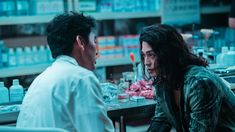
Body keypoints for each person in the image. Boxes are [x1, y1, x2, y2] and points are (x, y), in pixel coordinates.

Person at [16, 12, 114, 132]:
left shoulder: (40, 80)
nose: (97, 52)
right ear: (81, 42)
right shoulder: (82, 78)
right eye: (94, 41)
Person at [139, 24, 235, 131]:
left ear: (168, 53)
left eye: (151, 55)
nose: (146, 62)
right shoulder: (164, 80)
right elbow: (161, 121)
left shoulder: (198, 83)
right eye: (144, 55)